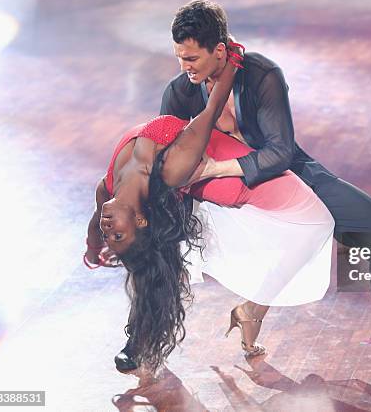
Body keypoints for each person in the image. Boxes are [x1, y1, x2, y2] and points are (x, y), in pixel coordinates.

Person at [160, 0, 371, 338]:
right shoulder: (180, 91)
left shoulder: (262, 75)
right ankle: (145, 336)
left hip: (281, 174)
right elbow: (164, 152)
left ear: (218, 50)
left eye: (191, 58)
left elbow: (280, 152)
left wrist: (217, 168)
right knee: (155, 241)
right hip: (222, 195)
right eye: (179, 57)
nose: (184, 66)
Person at [84, 54, 335, 371]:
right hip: (214, 178)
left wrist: (94, 247)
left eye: (112, 236)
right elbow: (211, 108)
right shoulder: (174, 167)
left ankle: (248, 311)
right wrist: (230, 59)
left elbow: (96, 223)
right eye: (116, 234)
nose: (108, 228)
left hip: (201, 170)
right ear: (139, 219)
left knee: (146, 263)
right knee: (315, 221)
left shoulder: (107, 189)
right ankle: (141, 338)